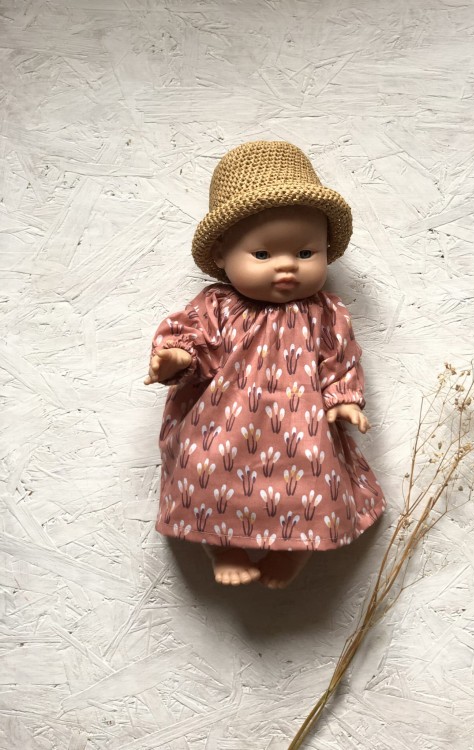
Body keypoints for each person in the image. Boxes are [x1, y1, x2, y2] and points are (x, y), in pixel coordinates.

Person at [145, 141, 386, 589]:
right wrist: (176, 358)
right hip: (220, 424)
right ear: (222, 255)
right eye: (263, 255)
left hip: (303, 429)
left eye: (305, 253)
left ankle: (293, 550)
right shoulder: (217, 305)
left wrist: (343, 399)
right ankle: (223, 547)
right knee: (203, 470)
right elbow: (194, 339)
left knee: (313, 481)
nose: (287, 267)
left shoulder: (325, 311)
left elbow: (340, 356)